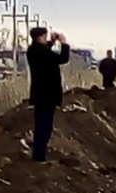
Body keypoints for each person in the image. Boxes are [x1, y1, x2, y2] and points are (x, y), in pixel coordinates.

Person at [25, 27, 70, 163]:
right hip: (47, 94)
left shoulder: (33, 50)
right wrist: (64, 43)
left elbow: (48, 52)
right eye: (44, 37)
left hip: (40, 94)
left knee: (41, 125)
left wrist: (51, 41)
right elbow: (62, 58)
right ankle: (39, 157)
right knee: (45, 126)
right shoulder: (41, 52)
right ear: (40, 37)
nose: (46, 39)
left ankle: (38, 155)